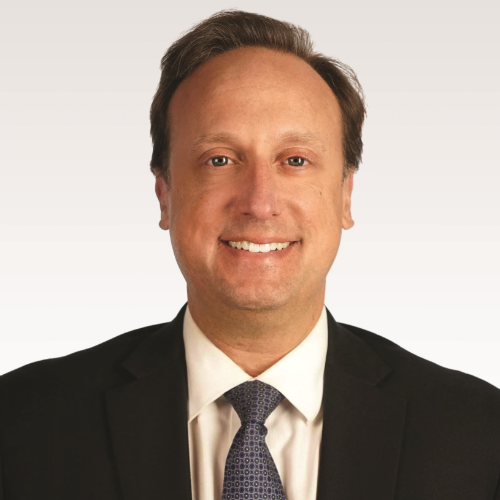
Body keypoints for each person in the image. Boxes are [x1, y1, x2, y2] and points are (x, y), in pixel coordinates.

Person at [0, 9, 499, 500]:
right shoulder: (21, 422)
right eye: (219, 159)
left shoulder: (480, 433)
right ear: (164, 194)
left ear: (345, 195)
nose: (259, 202)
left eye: (295, 160)